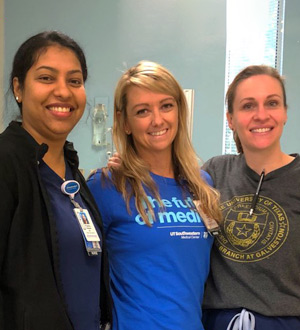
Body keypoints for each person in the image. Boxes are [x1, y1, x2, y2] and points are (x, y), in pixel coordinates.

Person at [87, 60, 222, 330]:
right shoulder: (106, 186)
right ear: (125, 122)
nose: (157, 120)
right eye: (142, 111)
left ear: (179, 111)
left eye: (166, 106)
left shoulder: (200, 184)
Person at [0, 31, 112, 330]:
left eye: (74, 81)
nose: (63, 91)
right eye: (47, 78)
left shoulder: (72, 173)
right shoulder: (6, 163)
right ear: (18, 88)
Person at [202, 65, 300, 330]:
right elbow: (166, 188)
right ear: (230, 119)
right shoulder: (214, 172)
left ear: (285, 113)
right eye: (248, 106)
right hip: (217, 321)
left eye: (272, 103)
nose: (261, 115)